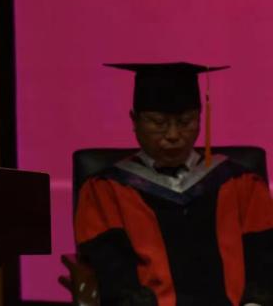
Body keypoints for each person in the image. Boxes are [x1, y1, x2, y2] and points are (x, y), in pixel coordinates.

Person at [74, 62, 273, 305]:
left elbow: (265, 259)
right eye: (158, 123)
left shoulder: (242, 184)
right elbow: (111, 273)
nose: (173, 135)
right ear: (134, 121)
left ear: (200, 119)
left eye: (185, 121)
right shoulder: (105, 191)